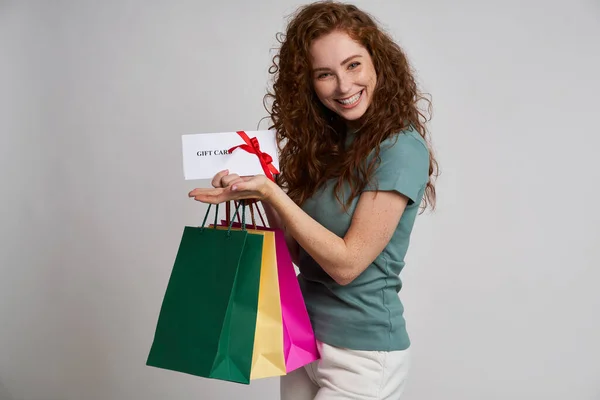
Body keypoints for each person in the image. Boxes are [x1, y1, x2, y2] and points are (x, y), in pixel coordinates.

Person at [189, 1, 438, 398]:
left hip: (363, 353)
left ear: (378, 62)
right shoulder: (332, 144)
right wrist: (255, 190)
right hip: (303, 337)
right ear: (309, 83)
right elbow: (298, 254)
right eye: (325, 74)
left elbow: (347, 265)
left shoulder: (400, 149)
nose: (343, 86)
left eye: (353, 65)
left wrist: (273, 192)